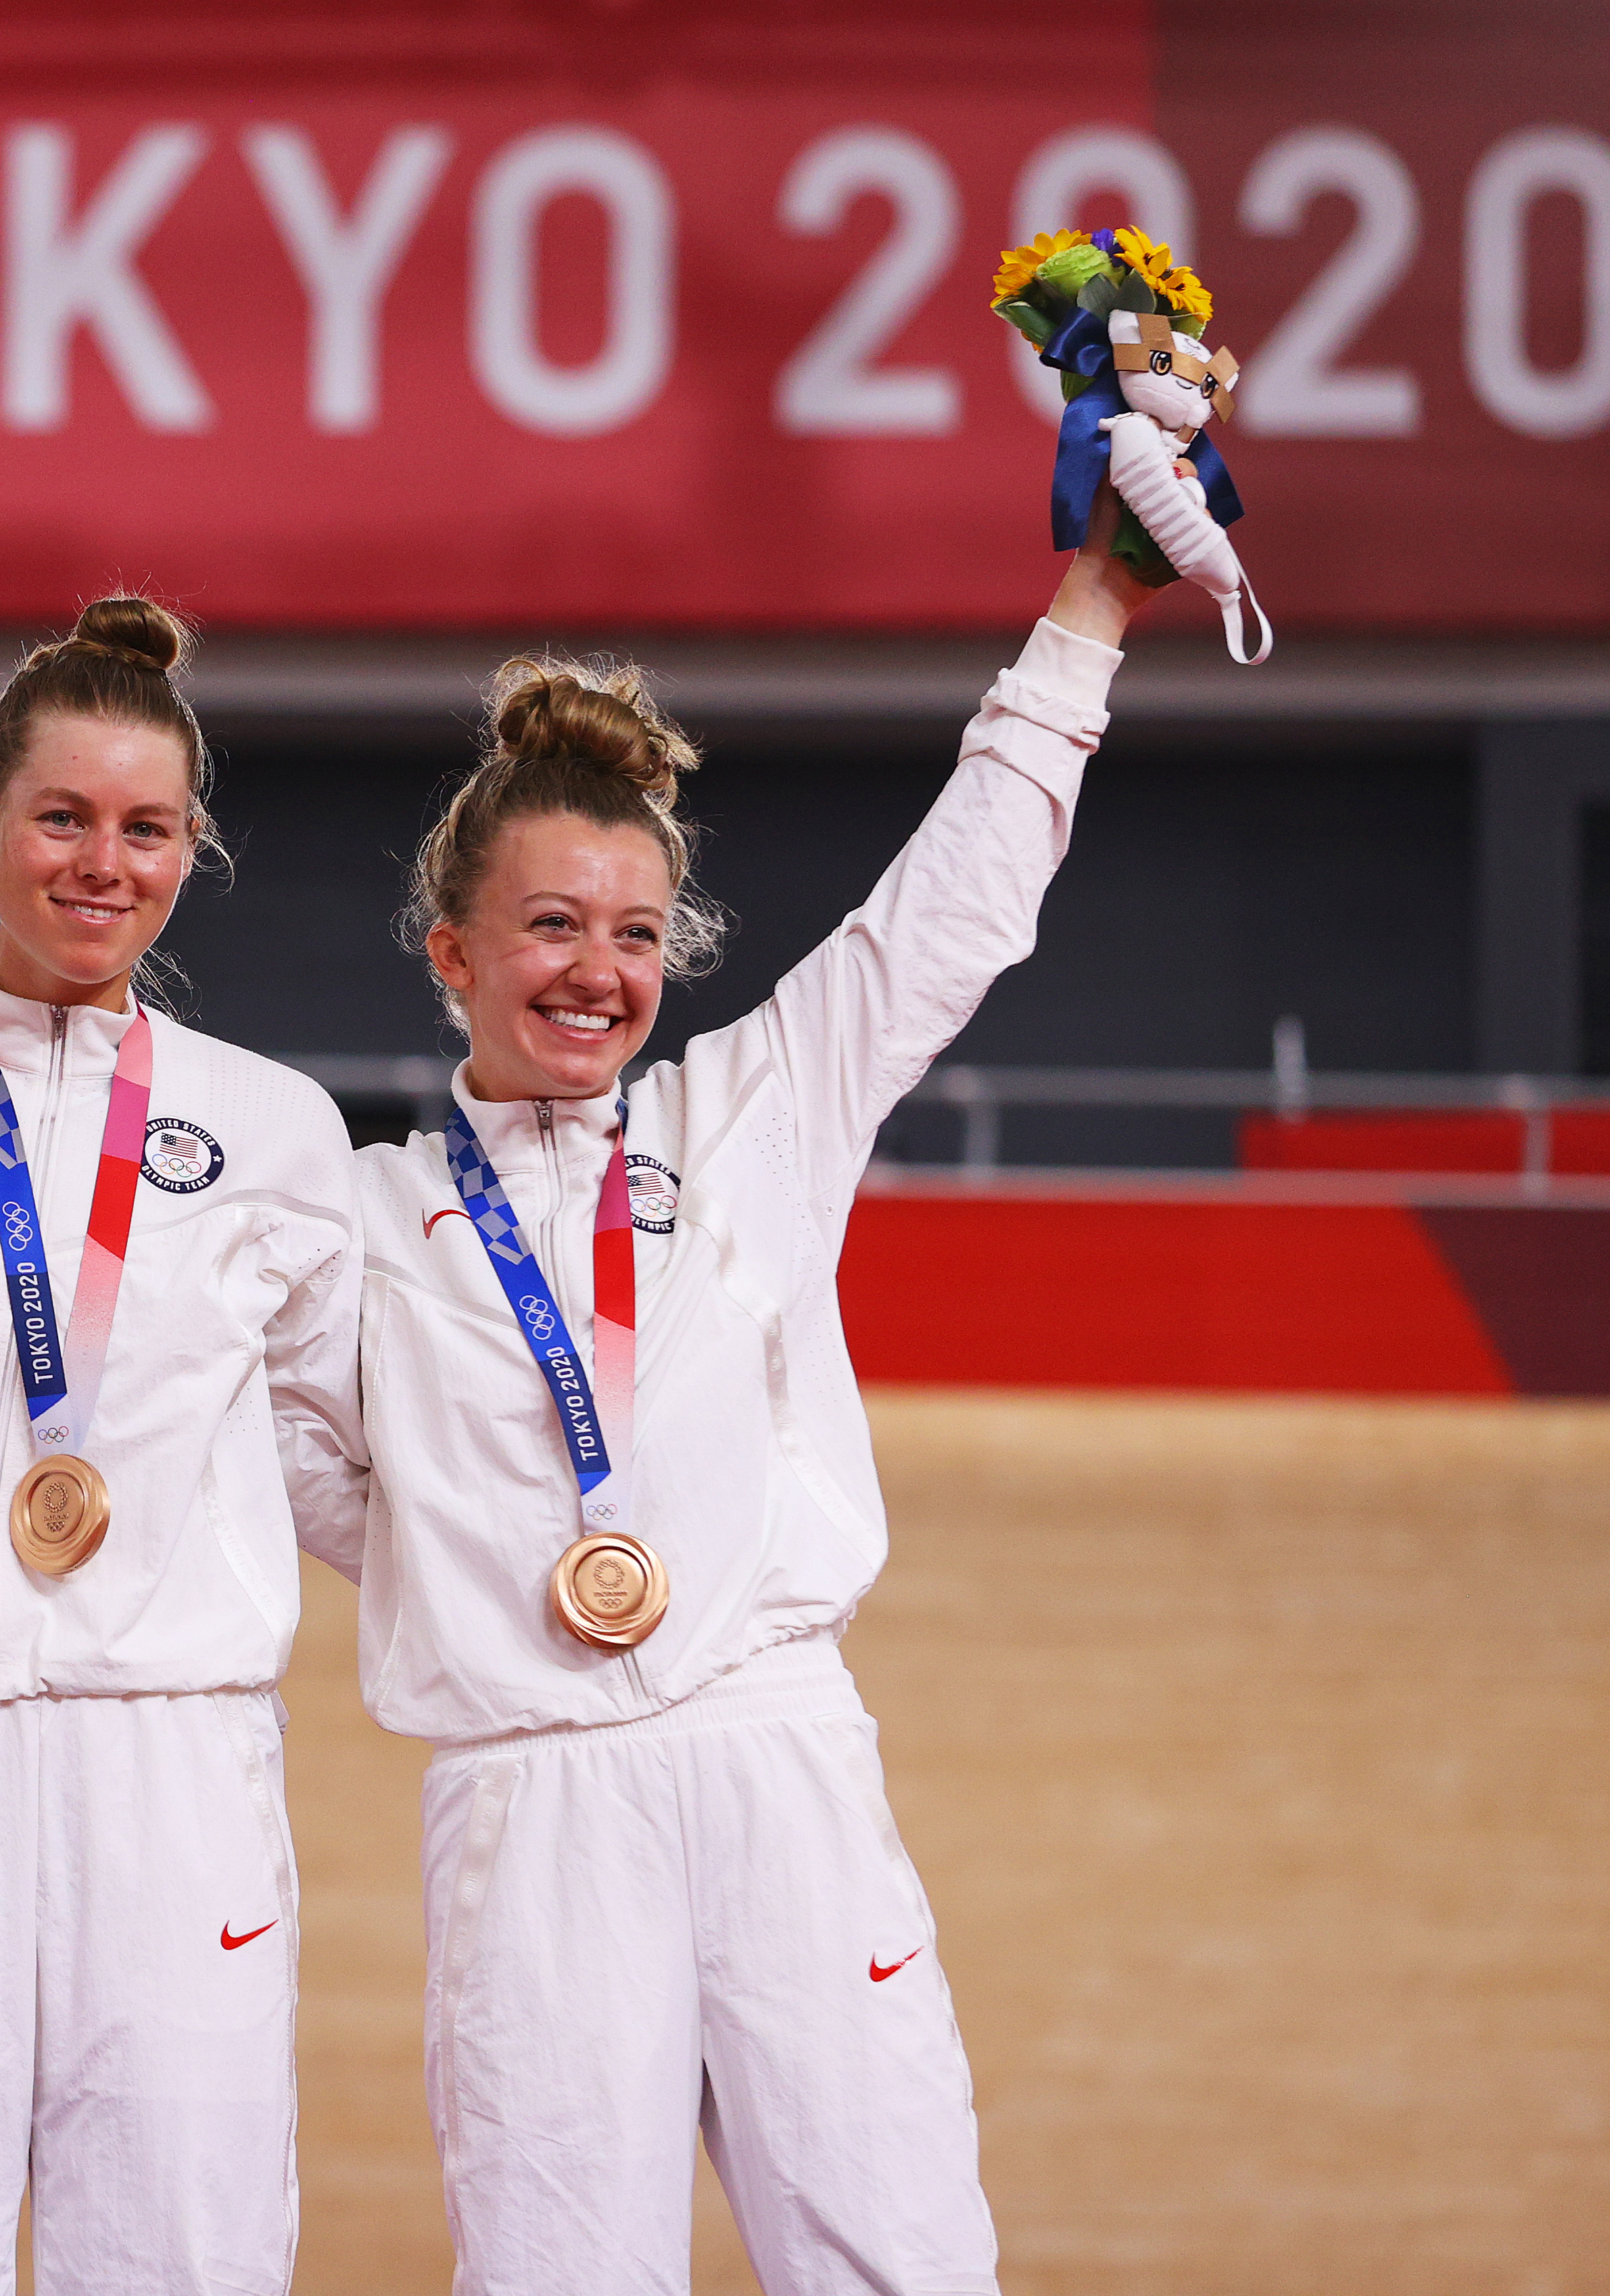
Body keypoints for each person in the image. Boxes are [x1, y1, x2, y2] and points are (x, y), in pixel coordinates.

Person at [349, 493, 1166, 2293]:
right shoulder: (364, 1221)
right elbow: (328, 1482)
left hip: (775, 1754)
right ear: (451, 947)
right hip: (533, 1799)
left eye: (634, 935)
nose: (595, 972)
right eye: (549, 925)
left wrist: (1087, 619)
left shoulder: (749, 1117)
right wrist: (483, 1563)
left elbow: (942, 917)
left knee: (897, 2261)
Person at [0, 598, 367, 2296]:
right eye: (61, 817)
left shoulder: (275, 1130)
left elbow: (327, 1457)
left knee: (184, 2254)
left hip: (172, 1770)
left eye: (147, 828)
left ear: (193, 847)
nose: (101, 863)